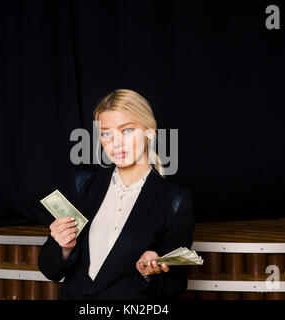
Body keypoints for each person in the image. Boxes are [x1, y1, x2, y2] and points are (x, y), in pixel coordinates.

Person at [37, 89, 195, 299]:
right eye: (106, 133)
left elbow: (175, 284)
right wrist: (63, 248)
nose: (116, 142)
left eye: (127, 130)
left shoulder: (175, 201)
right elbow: (50, 269)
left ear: (150, 132)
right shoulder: (82, 185)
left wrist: (149, 274)